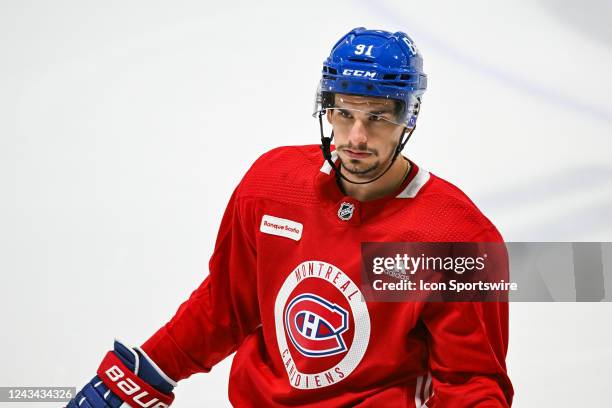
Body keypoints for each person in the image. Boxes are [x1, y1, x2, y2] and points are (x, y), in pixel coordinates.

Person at [67, 27, 513, 408]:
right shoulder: (271, 186)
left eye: (377, 117)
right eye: (344, 114)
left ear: (408, 117)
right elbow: (225, 304)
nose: (356, 136)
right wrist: (148, 372)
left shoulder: (457, 238)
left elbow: (471, 382)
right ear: (327, 109)